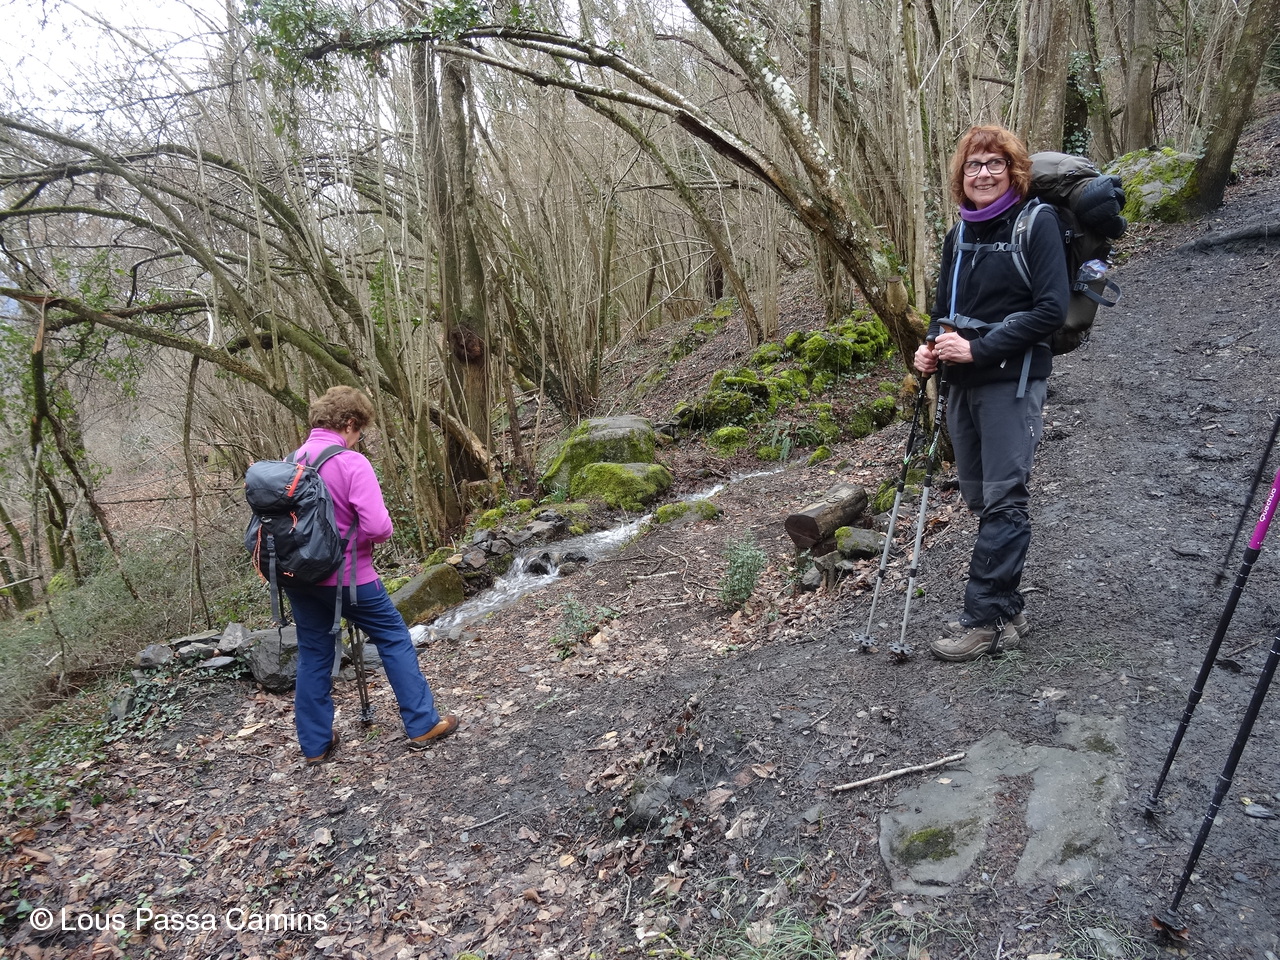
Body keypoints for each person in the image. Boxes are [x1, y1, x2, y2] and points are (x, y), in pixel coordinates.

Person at [913, 125, 1068, 662]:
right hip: (961, 383)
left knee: (1004, 497)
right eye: (974, 165)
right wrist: (930, 348)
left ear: (1014, 171)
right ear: (961, 175)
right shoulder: (958, 234)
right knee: (980, 496)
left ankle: (982, 622)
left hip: (1012, 380)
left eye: (995, 164)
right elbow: (942, 312)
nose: (983, 174)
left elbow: (1051, 310)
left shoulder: (1036, 223)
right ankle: (1007, 605)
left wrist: (978, 349)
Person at [283, 385, 458, 764]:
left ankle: (314, 745)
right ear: (349, 423)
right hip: (350, 577)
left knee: (314, 655)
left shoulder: (291, 462)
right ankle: (422, 723)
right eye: (359, 431)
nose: (358, 439)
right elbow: (379, 528)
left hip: (300, 578)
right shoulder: (351, 463)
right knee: (394, 638)